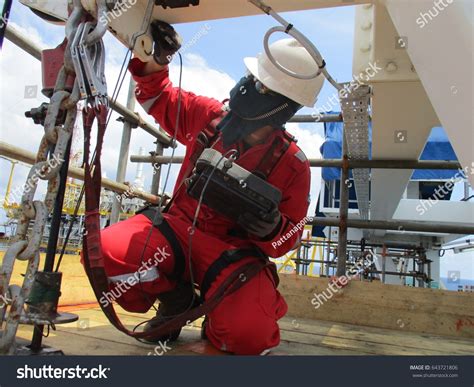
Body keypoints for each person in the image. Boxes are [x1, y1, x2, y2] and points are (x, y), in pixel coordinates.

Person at [98, 21, 324, 355]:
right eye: (252, 79)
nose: (248, 87)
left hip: (231, 254)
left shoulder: (293, 165)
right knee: (105, 254)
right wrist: (155, 60)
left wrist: (271, 228)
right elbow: (156, 96)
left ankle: (218, 316)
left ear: (283, 107)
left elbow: (285, 240)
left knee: (247, 336)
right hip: (174, 232)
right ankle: (177, 300)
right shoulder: (210, 117)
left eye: (261, 86)